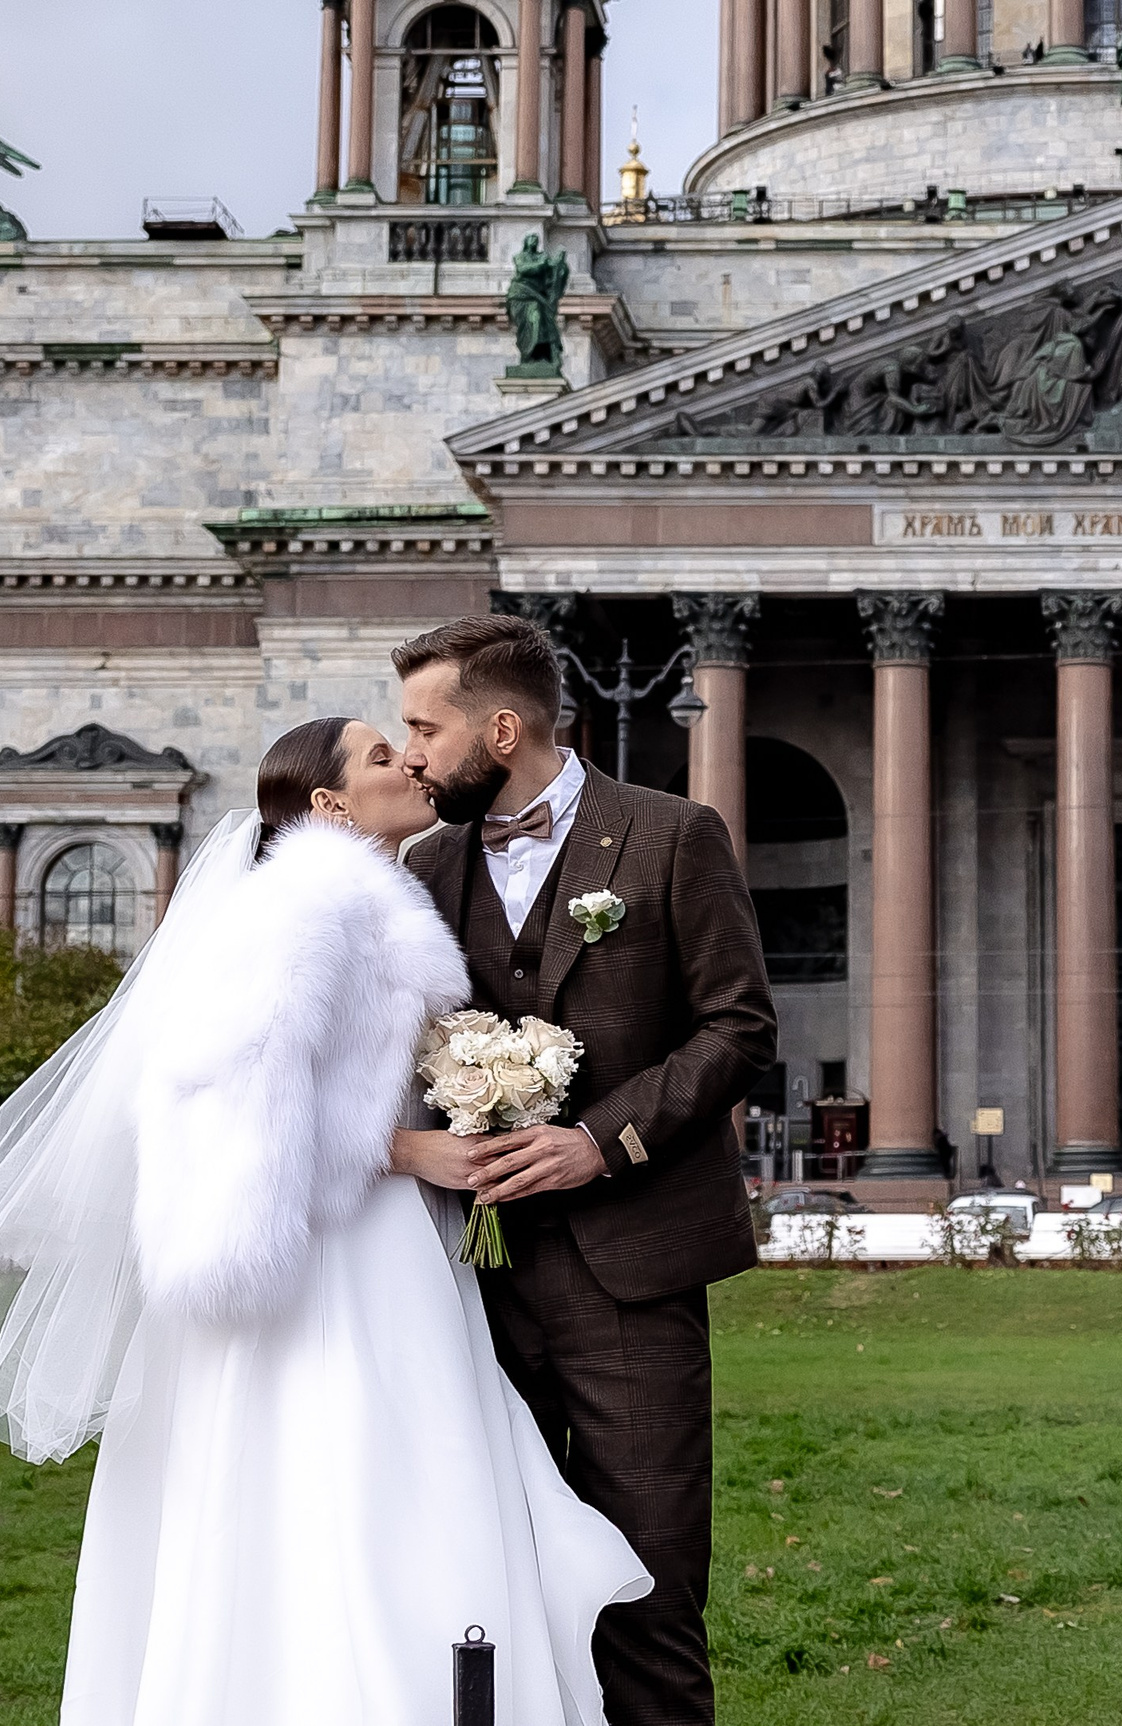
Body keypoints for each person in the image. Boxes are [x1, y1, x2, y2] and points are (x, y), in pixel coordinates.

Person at [0, 716, 650, 1725]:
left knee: (399, 1471)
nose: (411, 761)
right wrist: (411, 1150)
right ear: (327, 803)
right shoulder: (308, 907)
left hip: (386, 1240)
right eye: (382, 755)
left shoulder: (371, 901)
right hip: (335, 1249)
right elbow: (238, 1109)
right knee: (356, 1473)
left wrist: (476, 1090)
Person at [389, 613, 776, 1726]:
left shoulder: (670, 834)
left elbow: (739, 1029)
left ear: (500, 728)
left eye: (427, 727)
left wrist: (599, 1142)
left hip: (634, 1279)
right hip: (469, 1286)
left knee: (648, 1588)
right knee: (488, 1586)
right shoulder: (427, 862)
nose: (411, 752)